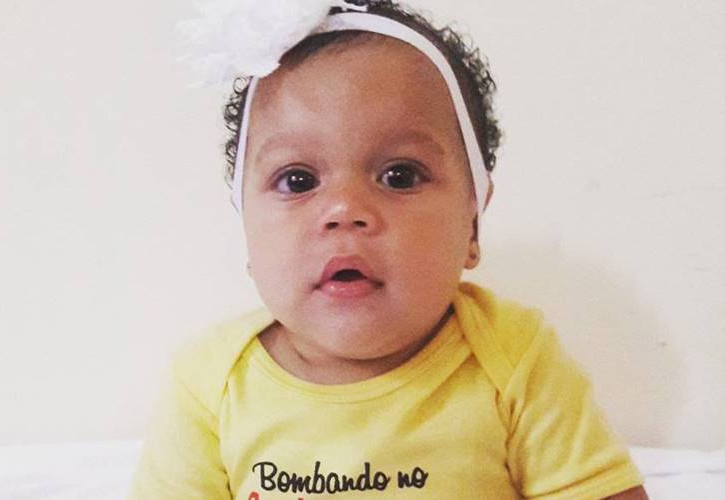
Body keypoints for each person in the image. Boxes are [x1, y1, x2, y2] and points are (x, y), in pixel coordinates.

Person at [129, 1, 648, 498]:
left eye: (400, 176)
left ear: (472, 225)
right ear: (246, 227)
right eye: (298, 180)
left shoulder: (514, 357)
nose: (344, 210)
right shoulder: (210, 383)